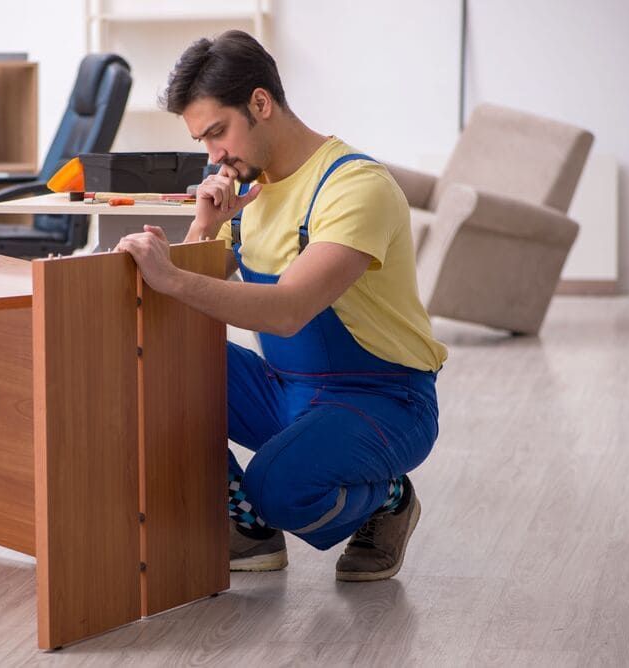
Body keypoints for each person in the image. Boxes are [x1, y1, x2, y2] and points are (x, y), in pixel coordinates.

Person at [114, 30, 447, 582]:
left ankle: (389, 500)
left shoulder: (355, 186)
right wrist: (205, 225)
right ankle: (248, 529)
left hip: (384, 399)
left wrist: (170, 275)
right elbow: (206, 280)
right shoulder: (248, 187)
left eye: (218, 133)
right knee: (150, 354)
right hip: (288, 387)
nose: (213, 155)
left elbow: (289, 308)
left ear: (261, 103)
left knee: (279, 488)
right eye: (203, 140)